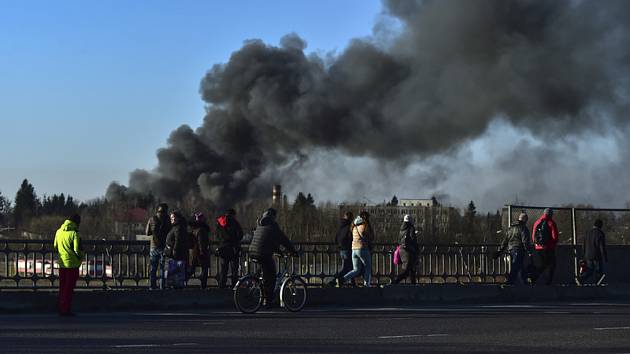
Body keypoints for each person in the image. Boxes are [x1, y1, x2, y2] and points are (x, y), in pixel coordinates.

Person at [249, 208, 297, 308]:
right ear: (273, 216)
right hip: (263, 253)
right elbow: (283, 239)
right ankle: (267, 301)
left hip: (253, 252)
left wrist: (278, 252)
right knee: (271, 276)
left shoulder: (261, 224)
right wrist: (293, 251)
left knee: (264, 272)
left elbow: (268, 241)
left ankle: (256, 284)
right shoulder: (273, 225)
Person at [54, 213, 83, 316]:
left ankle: (61, 307)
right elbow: (77, 250)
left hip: (62, 264)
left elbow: (55, 246)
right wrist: (81, 256)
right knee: (69, 288)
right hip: (73, 264)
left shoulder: (58, 231)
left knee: (62, 287)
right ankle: (66, 309)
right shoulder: (75, 233)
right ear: (77, 222)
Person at [493, 212, 532, 285]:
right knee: (516, 266)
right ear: (525, 220)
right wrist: (529, 251)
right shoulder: (523, 228)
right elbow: (525, 241)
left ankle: (524, 283)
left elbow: (505, 241)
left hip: (511, 249)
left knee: (519, 267)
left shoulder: (511, 228)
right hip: (519, 249)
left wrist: (499, 251)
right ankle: (510, 283)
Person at [216, 208, 244, 288]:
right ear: (233, 215)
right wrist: (235, 240)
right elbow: (240, 234)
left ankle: (222, 286)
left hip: (223, 248)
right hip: (233, 248)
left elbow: (217, 235)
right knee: (234, 269)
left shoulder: (220, 222)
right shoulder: (235, 222)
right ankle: (234, 286)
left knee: (224, 268)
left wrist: (222, 242)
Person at [343, 214, 374, 287]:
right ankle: (367, 285)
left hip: (354, 250)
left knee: (356, 270)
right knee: (368, 267)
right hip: (362, 249)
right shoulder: (363, 227)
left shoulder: (354, 227)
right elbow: (370, 237)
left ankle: (343, 279)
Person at [145, 203, 171, 290]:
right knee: (163, 268)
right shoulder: (168, 219)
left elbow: (147, 233)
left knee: (153, 268)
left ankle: (152, 286)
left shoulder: (152, 219)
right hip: (164, 246)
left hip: (153, 246)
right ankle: (162, 286)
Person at [530, 208, 559, 285]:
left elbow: (533, 236)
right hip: (548, 247)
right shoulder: (551, 223)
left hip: (538, 247)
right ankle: (547, 282)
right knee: (551, 264)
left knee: (542, 264)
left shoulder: (537, 222)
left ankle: (533, 277)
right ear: (550, 214)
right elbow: (555, 237)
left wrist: (536, 244)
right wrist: (552, 244)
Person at [327, 211, 354, 287]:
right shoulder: (350, 226)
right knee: (348, 268)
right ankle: (333, 281)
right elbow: (351, 238)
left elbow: (336, 238)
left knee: (349, 267)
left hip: (341, 249)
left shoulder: (341, 226)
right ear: (351, 218)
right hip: (347, 249)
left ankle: (352, 283)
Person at [164, 211, 189, 288]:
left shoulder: (178, 227)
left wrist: (174, 251)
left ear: (178, 218)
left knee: (176, 274)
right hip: (176, 254)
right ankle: (176, 286)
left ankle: (176, 288)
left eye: (173, 217)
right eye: (171, 217)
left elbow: (178, 240)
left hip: (176, 255)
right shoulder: (177, 226)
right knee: (176, 274)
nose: (172, 219)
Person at [578, 219, 608, 285]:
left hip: (588, 255)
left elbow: (584, 245)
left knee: (590, 270)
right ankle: (597, 283)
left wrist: (583, 255)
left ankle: (581, 278)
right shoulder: (600, 233)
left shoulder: (587, 232)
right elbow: (602, 247)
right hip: (597, 256)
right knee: (599, 271)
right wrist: (604, 257)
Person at [392, 214, 419, 284]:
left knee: (411, 269)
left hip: (401, 250)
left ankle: (414, 285)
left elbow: (399, 240)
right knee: (406, 271)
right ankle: (394, 282)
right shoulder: (411, 228)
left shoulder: (401, 229)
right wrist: (417, 249)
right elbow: (413, 240)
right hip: (408, 251)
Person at [189, 212, 211, 289]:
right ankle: (203, 286)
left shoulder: (194, 229)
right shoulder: (202, 230)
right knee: (204, 269)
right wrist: (203, 251)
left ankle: (183, 280)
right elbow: (201, 242)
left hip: (194, 251)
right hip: (201, 251)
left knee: (192, 268)